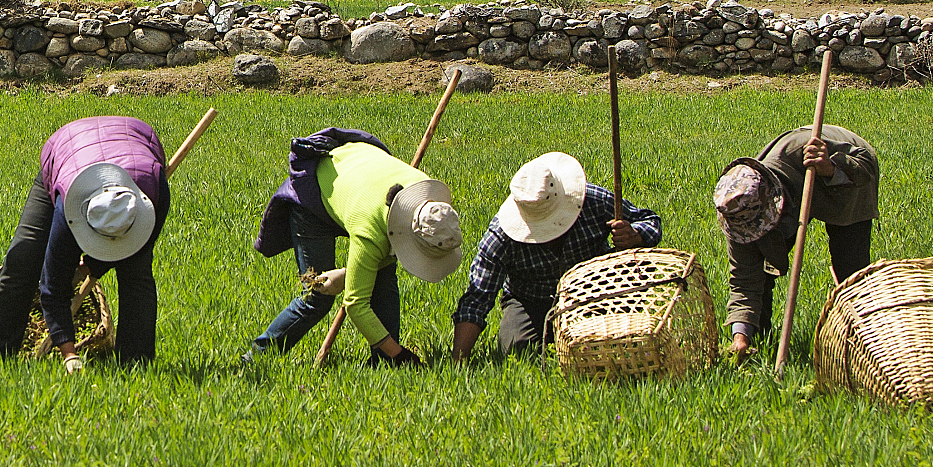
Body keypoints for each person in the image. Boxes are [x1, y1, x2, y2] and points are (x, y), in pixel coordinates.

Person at [0, 116, 181, 368]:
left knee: (136, 271)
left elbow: (135, 247)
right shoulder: (68, 210)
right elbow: (53, 287)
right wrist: (69, 354)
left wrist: (92, 266)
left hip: (135, 144)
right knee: (25, 257)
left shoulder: (154, 193)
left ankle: (135, 366)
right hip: (69, 150)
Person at [252, 129, 463, 366]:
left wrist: (347, 275)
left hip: (357, 177)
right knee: (317, 293)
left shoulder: (427, 197)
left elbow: (387, 255)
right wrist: (401, 354)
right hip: (316, 191)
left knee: (383, 279)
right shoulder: (371, 230)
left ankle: (384, 363)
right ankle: (257, 357)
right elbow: (356, 304)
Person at [451, 151, 661, 361]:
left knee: (616, 345)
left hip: (595, 292)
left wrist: (635, 235)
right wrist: (458, 361)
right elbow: (478, 297)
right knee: (516, 351)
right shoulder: (501, 236)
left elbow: (649, 220)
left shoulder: (593, 200)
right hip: (531, 300)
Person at [715, 124, 881, 360]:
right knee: (761, 272)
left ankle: (864, 341)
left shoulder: (801, 150)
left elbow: (865, 163)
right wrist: (740, 337)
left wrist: (830, 168)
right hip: (796, 191)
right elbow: (744, 281)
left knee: (850, 268)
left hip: (845, 180)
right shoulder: (739, 212)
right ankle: (759, 341)